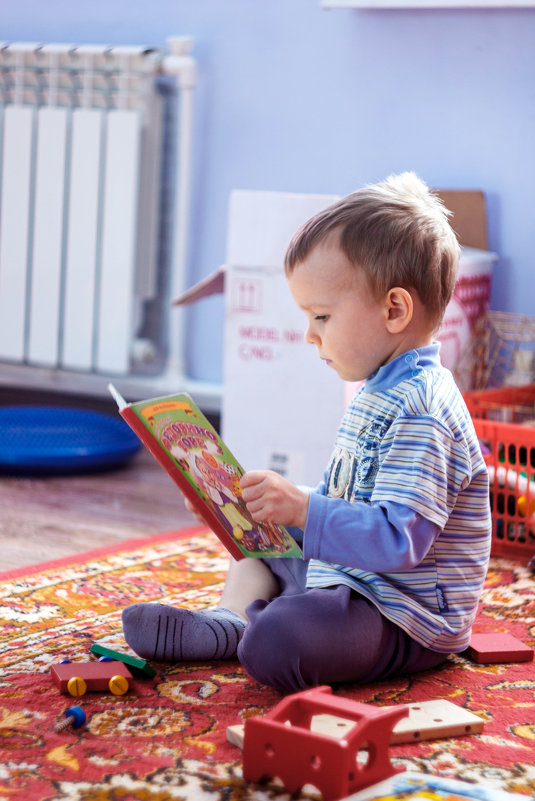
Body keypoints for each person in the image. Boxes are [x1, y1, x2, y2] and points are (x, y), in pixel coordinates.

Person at [122, 172, 491, 692]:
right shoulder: (378, 388)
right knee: (258, 543)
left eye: (321, 315)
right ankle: (230, 621)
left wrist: (303, 509)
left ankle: (259, 625)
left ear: (394, 310)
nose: (308, 335)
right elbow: (353, 499)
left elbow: (397, 539)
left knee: (283, 639)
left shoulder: (422, 411)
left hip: (404, 615)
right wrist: (254, 506)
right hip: (353, 580)